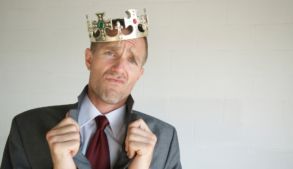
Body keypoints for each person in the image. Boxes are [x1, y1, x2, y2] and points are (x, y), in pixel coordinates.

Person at [1, 9, 181, 169]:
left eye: (132, 60)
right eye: (110, 53)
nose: (119, 68)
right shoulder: (26, 128)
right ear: (89, 59)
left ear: (139, 74)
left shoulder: (165, 139)